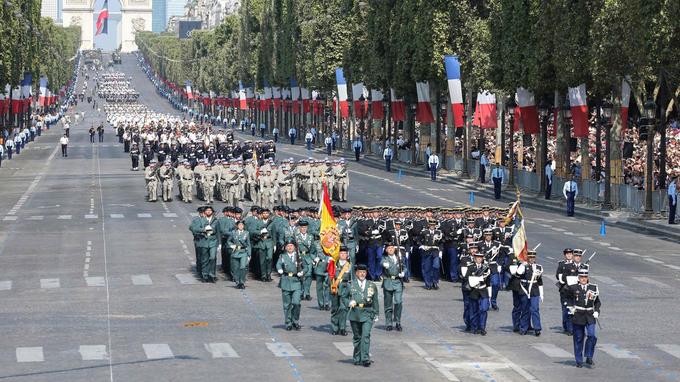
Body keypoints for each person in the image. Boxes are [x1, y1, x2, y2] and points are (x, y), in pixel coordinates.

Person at [567, 268, 601, 368]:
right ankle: (579, 360)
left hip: (590, 315)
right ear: (579, 278)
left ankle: (589, 356)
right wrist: (570, 308)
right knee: (578, 338)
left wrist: (597, 311)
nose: (583, 279)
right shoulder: (573, 287)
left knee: (592, 335)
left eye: (585, 277)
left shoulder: (593, 288)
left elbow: (597, 302)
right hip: (578, 315)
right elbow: (567, 298)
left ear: (588, 277)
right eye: (581, 277)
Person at [348, 264, 379, 367]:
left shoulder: (371, 285)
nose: (362, 274)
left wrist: (376, 313)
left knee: (365, 335)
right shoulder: (351, 284)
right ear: (356, 273)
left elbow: (375, 301)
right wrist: (349, 302)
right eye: (360, 272)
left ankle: (365, 358)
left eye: (364, 272)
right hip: (355, 313)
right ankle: (357, 357)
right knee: (357, 337)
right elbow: (344, 297)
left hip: (367, 312)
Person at [276, 238, 307, 330]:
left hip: (296, 281)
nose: (290, 247)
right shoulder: (282, 256)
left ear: (295, 247)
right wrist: (279, 269)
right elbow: (278, 264)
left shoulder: (299, 256)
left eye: (291, 245)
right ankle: (288, 323)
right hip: (286, 281)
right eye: (288, 246)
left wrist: (303, 272)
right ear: (285, 247)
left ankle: (295, 321)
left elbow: (306, 267)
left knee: (296, 303)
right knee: (287, 305)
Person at [188, 205, 221, 283]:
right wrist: (203, 230)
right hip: (203, 241)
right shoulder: (200, 220)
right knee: (204, 259)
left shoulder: (216, 220)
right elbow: (194, 228)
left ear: (212, 212)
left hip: (213, 241)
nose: (208, 212)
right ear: (204, 212)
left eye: (210, 210)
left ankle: (212, 275)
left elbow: (218, 232)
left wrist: (219, 243)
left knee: (213, 258)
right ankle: (205, 275)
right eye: (207, 211)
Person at [517, 250, 543, 336]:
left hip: (535, 290)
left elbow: (540, 281)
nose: (532, 259)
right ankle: (523, 327)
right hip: (524, 288)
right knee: (525, 309)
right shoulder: (524, 265)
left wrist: (541, 294)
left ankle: (537, 328)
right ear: (527, 257)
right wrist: (522, 265)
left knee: (535, 309)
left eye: (533, 257)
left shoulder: (539, 267)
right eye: (530, 257)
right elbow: (518, 274)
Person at [381, 242, 405, 331]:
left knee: (398, 302)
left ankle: (398, 321)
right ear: (386, 250)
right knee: (388, 305)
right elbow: (382, 262)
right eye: (389, 248)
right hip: (388, 281)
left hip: (398, 281)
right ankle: (389, 323)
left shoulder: (399, 257)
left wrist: (403, 272)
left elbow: (404, 266)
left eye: (392, 247)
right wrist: (384, 264)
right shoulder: (384, 258)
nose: (391, 249)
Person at [466, 250, 490, 335]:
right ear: (475, 258)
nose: (479, 259)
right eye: (477, 258)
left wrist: (489, 294)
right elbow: (467, 278)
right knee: (474, 311)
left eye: (480, 258)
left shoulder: (486, 267)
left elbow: (489, 282)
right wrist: (477, 279)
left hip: (483, 290)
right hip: (474, 290)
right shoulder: (471, 267)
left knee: (484, 309)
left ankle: (482, 327)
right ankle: (474, 327)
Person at [555, 248, 579, 336]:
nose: (569, 255)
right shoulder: (562, 264)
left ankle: (571, 329)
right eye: (567, 254)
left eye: (570, 254)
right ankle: (566, 326)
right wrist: (562, 279)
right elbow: (558, 275)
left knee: (574, 309)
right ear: (565, 255)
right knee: (565, 310)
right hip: (565, 289)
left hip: (574, 290)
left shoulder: (575, 265)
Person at [330, 246, 352, 336]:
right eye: (341, 253)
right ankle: (335, 328)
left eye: (344, 253)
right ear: (338, 254)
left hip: (345, 288)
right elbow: (330, 276)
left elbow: (352, 279)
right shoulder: (333, 264)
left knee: (343, 308)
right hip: (335, 287)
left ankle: (342, 328)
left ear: (347, 255)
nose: (343, 255)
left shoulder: (349, 265)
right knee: (335, 308)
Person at [229, 220, 251, 289]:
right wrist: (231, 245)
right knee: (236, 268)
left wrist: (249, 254)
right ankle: (237, 282)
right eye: (239, 225)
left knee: (243, 267)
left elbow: (248, 244)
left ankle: (242, 282)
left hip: (243, 252)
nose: (241, 226)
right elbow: (228, 240)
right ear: (237, 226)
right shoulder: (233, 233)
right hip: (235, 252)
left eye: (242, 225)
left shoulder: (246, 233)